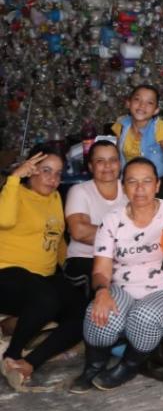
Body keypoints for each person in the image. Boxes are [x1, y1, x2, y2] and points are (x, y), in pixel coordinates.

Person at [74, 158, 163, 392]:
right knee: (100, 314)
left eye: (147, 181)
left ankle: (129, 365)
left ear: (157, 185)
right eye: (132, 182)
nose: (140, 188)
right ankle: (93, 365)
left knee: (143, 317)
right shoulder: (112, 220)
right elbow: (101, 268)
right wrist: (102, 292)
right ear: (123, 187)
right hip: (123, 288)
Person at [0, 149, 82, 389]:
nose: (53, 179)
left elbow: (57, 241)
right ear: (31, 170)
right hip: (6, 274)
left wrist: (70, 267)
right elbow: (3, 219)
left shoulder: (56, 198)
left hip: (39, 281)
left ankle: (30, 363)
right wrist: (15, 178)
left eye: (57, 173)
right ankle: (11, 355)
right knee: (44, 296)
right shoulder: (14, 193)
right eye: (46, 171)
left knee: (81, 311)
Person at [64, 139, 126, 298]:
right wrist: (127, 237)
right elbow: (79, 232)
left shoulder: (130, 190)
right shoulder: (79, 191)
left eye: (113, 160)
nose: (107, 166)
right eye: (100, 161)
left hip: (122, 260)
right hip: (85, 259)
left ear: (120, 164)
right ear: (91, 166)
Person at [112, 85, 163, 177]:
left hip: (157, 181)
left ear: (156, 110)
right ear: (128, 103)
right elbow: (117, 155)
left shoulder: (159, 127)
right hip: (130, 180)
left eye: (150, 103)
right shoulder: (121, 125)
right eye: (137, 99)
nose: (142, 105)